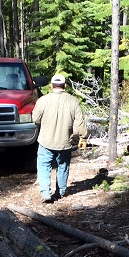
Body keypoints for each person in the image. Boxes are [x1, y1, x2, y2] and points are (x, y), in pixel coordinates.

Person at [32, 74, 88, 202]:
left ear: (51, 86)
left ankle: (46, 193)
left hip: (46, 141)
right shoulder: (73, 101)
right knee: (62, 166)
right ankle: (60, 192)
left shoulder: (43, 100)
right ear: (65, 86)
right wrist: (83, 137)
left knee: (43, 166)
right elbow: (80, 122)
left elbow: (35, 119)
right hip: (65, 142)